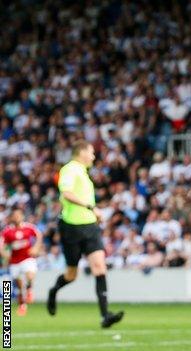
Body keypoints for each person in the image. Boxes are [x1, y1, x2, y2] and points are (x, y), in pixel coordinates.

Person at [46, 140, 124, 328]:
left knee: (99, 267)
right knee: (72, 275)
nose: (93, 156)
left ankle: (105, 316)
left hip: (90, 227)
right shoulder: (70, 169)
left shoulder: (84, 172)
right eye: (91, 152)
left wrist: (93, 214)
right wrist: (92, 207)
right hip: (71, 228)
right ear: (81, 152)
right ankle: (54, 291)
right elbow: (66, 194)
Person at [0, 208, 42, 316]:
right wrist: (5, 254)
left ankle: (29, 290)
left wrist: (36, 248)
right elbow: (1, 245)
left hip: (28, 258)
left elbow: (39, 236)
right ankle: (22, 305)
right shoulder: (7, 231)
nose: (17, 217)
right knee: (19, 286)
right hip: (14, 261)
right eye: (15, 215)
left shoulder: (29, 227)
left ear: (22, 216)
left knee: (30, 275)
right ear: (12, 218)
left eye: (19, 215)